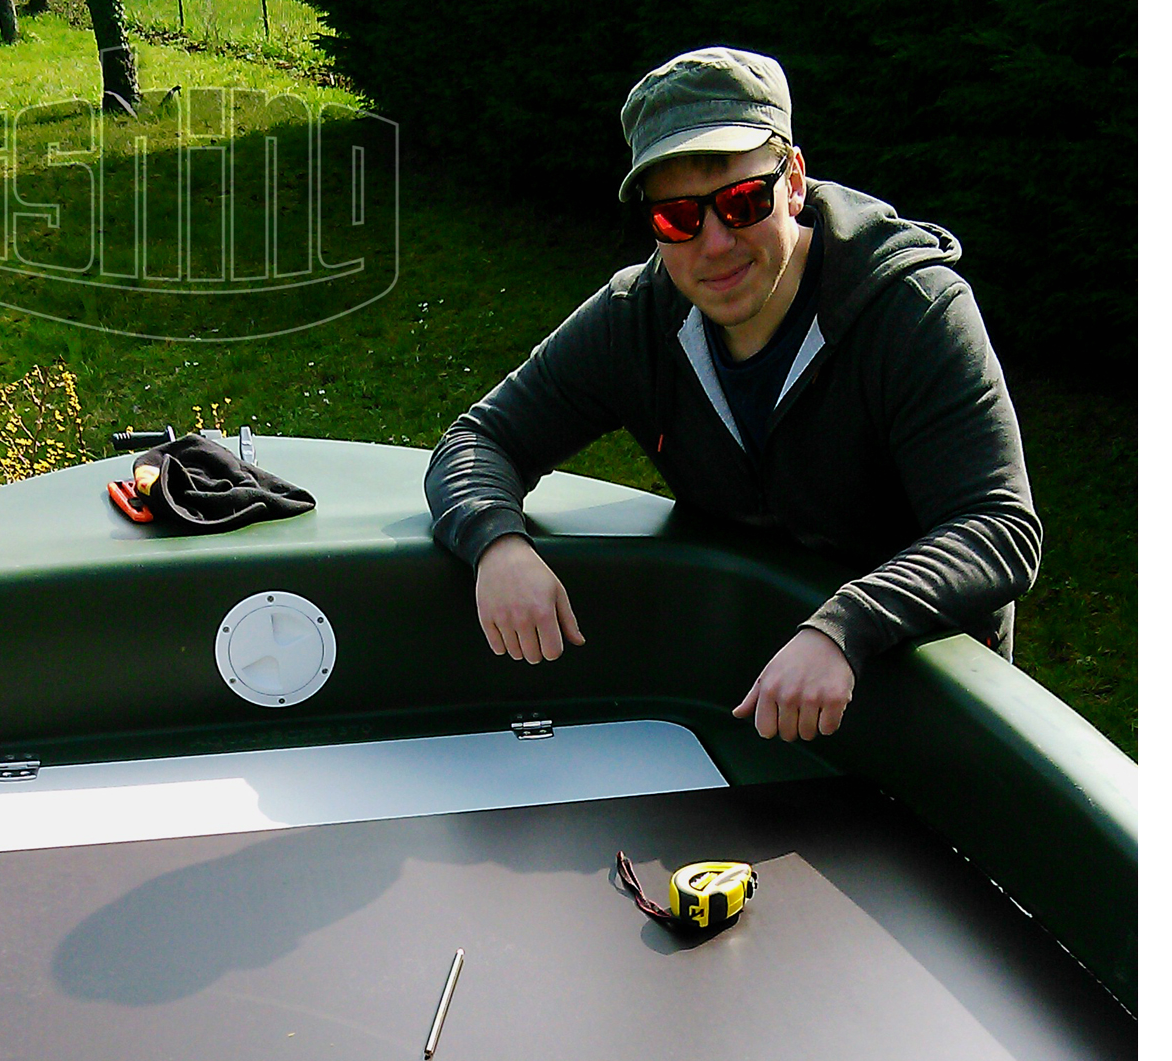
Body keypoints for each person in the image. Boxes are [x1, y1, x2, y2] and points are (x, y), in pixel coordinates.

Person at [424, 46, 1042, 743]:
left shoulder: (913, 310)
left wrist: (845, 629)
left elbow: (996, 528)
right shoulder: (638, 319)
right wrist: (497, 542)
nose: (713, 243)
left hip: (923, 692)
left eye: (743, 202)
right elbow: (478, 439)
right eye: (676, 218)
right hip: (758, 698)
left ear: (795, 182)